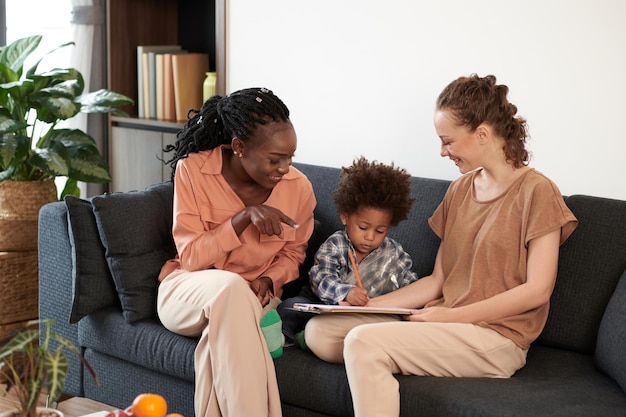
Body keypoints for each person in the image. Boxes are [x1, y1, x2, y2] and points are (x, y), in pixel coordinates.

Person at [303, 74, 579, 417]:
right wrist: (368, 307)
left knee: (362, 342)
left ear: (482, 134)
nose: (442, 151)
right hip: (442, 322)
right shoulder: (459, 191)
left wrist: (451, 316)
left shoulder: (537, 192)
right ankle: (397, 353)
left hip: (495, 337)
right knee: (321, 332)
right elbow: (438, 281)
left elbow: (537, 291)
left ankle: (386, 354)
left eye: (447, 141)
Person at [156, 87, 316, 417]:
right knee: (229, 287)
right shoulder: (194, 171)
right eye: (275, 159)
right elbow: (191, 258)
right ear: (239, 147)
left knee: (219, 342)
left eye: (290, 157)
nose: (285, 168)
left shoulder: (298, 188)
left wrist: (269, 280)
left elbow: (294, 254)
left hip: (253, 300)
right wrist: (241, 219)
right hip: (187, 292)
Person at [278, 157, 419, 345]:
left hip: (361, 314)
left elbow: (411, 286)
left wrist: (416, 306)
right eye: (363, 227)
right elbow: (321, 277)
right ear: (345, 216)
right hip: (323, 302)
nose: (370, 237)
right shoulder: (336, 244)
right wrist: (346, 292)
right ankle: (283, 339)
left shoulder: (393, 253)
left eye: (380, 231)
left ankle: (306, 338)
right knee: (289, 307)